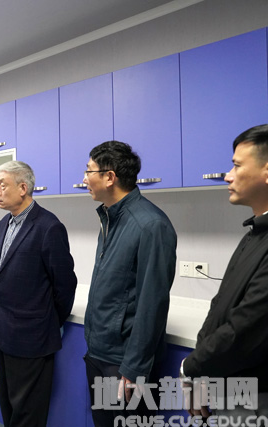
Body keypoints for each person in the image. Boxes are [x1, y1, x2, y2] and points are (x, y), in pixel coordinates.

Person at [82, 141, 177, 426]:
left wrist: (134, 367)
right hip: (99, 352)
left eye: (89, 171)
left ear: (109, 177)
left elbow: (152, 303)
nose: (84, 179)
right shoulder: (110, 217)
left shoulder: (150, 224)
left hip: (124, 363)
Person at [181, 124, 268, 418]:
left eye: (237, 166)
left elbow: (247, 328)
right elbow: (220, 308)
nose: (228, 176)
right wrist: (199, 372)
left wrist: (191, 368)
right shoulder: (255, 233)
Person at [0, 161, 77, 426]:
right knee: (9, 407)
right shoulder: (4, 224)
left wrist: (47, 321)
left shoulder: (49, 226)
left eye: (3, 185)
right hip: (3, 333)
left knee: (28, 414)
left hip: (32, 337)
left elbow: (65, 285)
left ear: (23, 188)